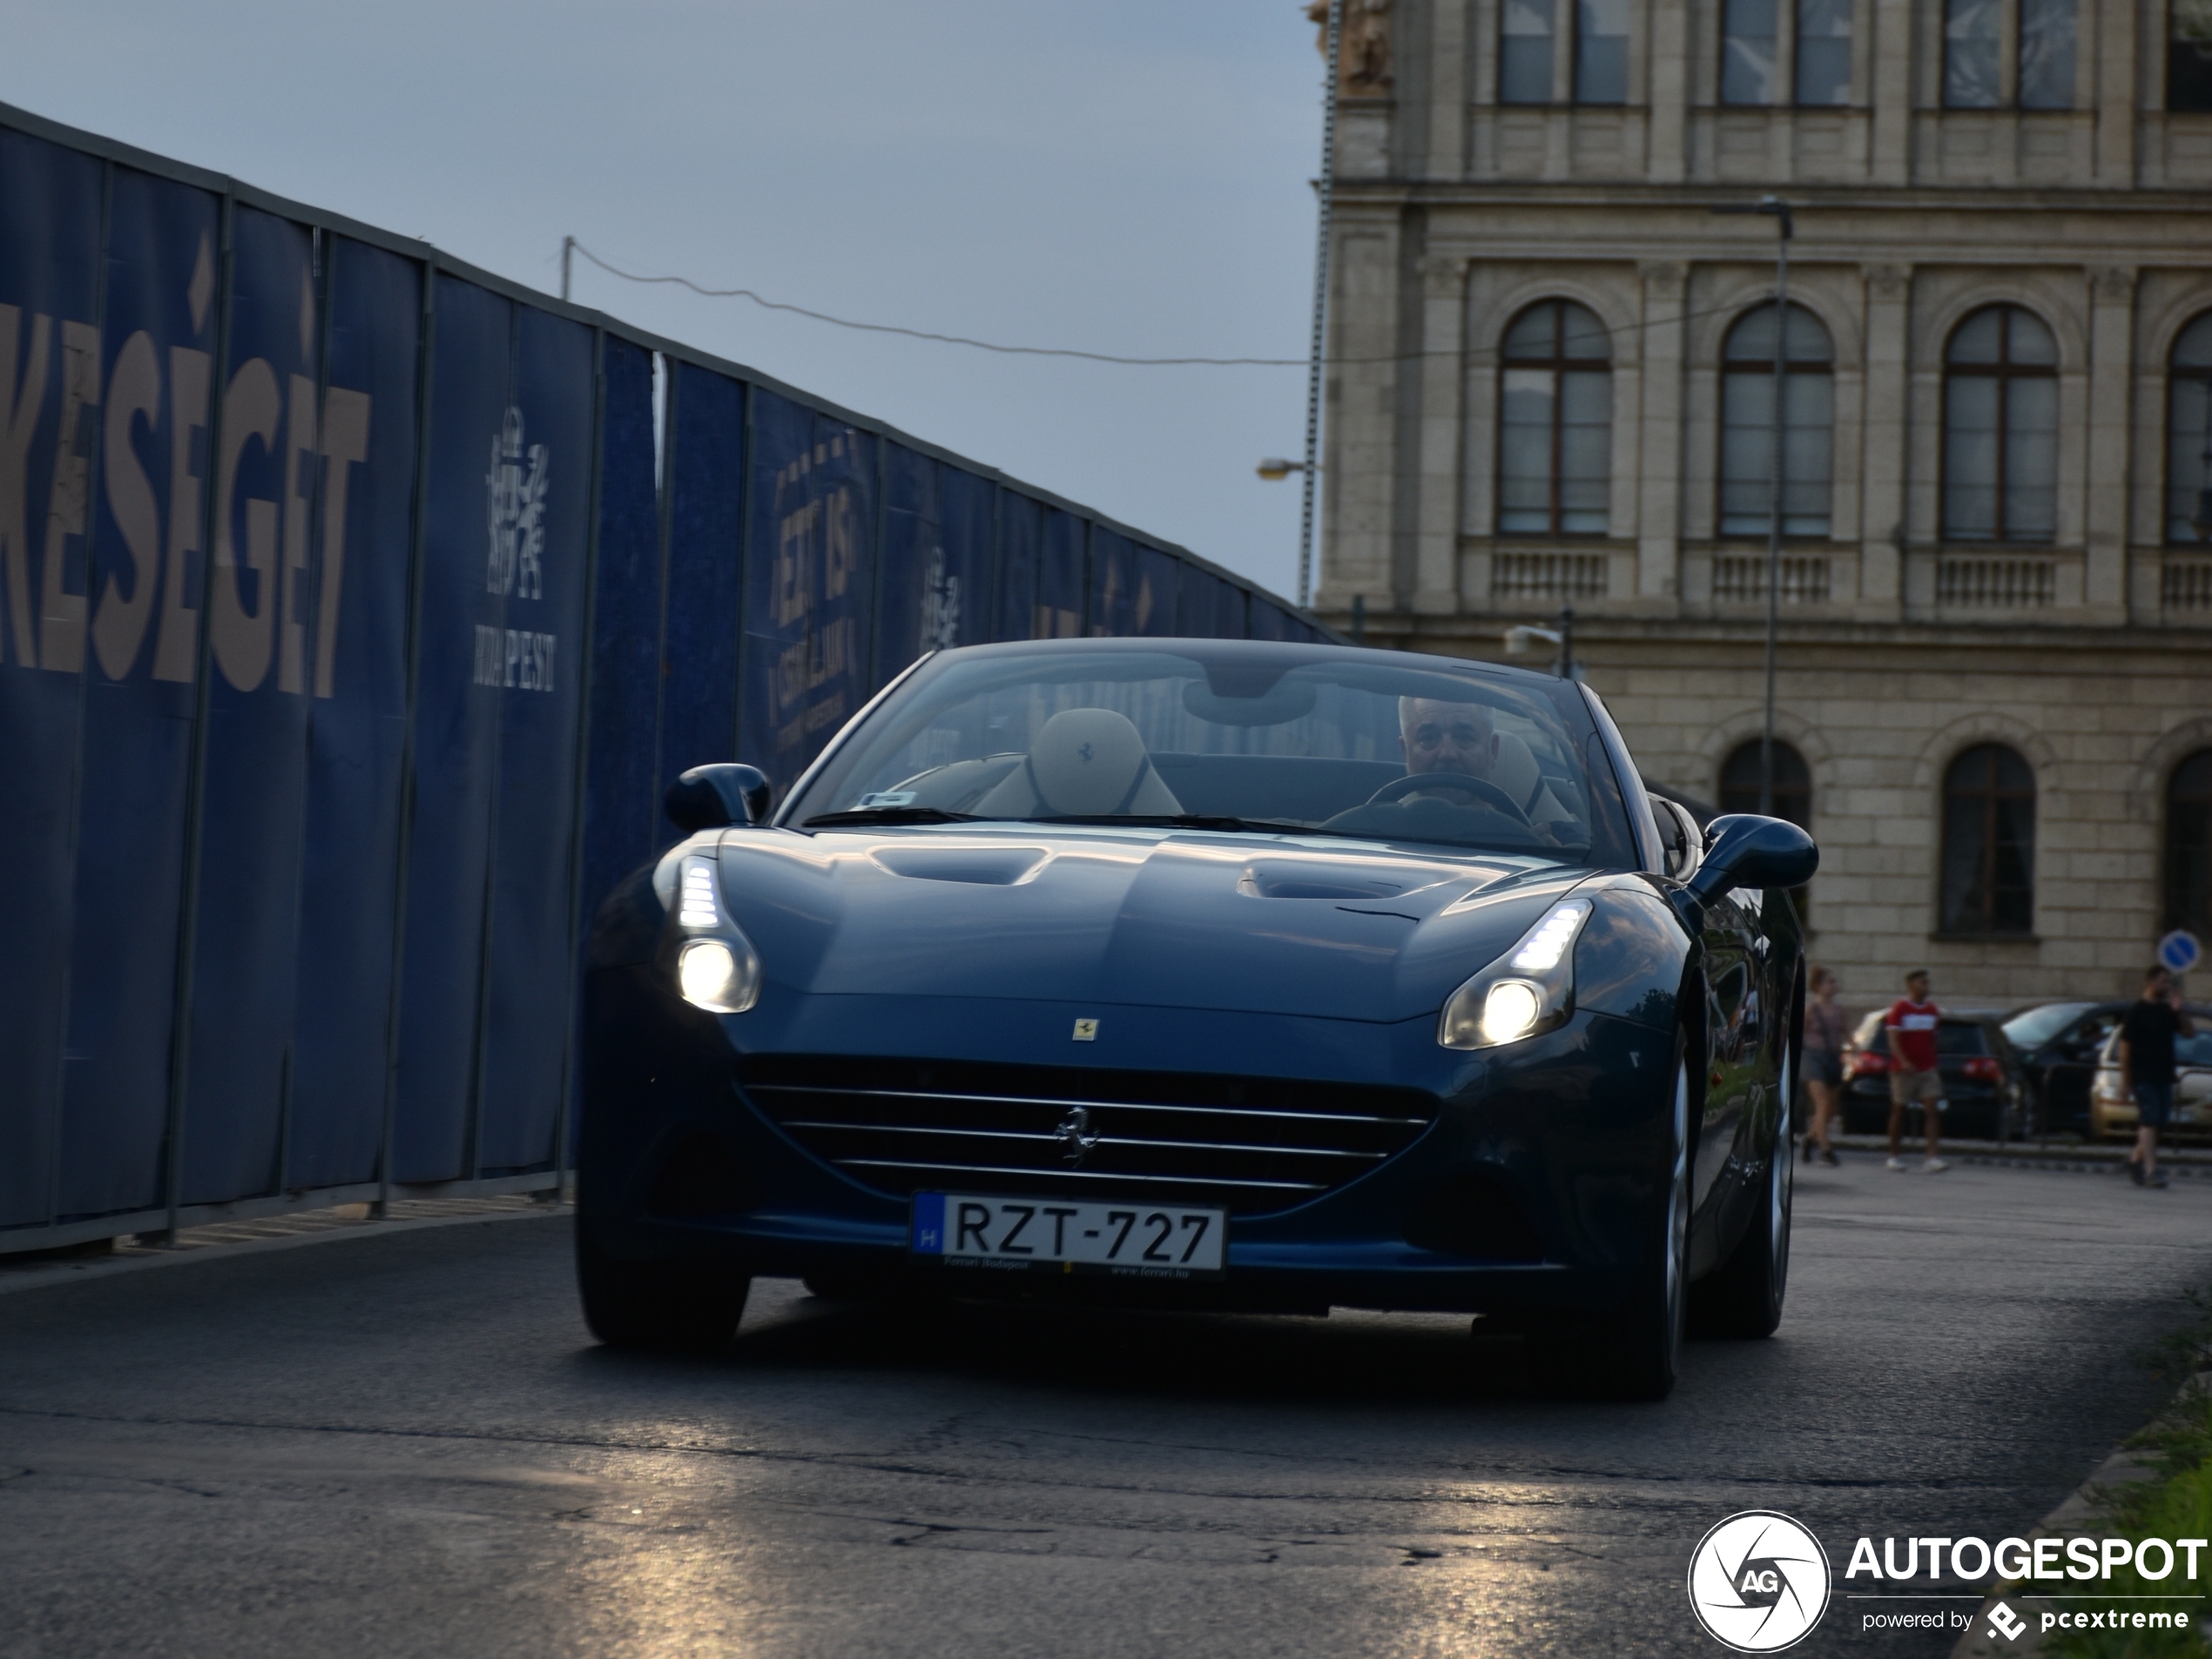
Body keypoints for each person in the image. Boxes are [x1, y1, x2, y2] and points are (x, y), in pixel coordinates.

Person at [1394, 697, 1575, 833]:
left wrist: (1543, 855)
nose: (1447, 753)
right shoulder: (1372, 835)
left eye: (1464, 737)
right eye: (1428, 738)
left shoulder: (1537, 846)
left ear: (1493, 750)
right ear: (1405, 751)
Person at [2118, 965, 2196, 1190]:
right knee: (2149, 1119)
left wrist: (2180, 1010)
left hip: (2164, 1074)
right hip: (2142, 1075)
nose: (2167, 986)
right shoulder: (2137, 1011)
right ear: (2150, 982)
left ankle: (2135, 1160)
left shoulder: (2167, 1011)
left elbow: (2189, 1033)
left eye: (2169, 982)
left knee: (2160, 1121)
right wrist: (2126, 1080)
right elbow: (2125, 1048)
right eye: (2163, 982)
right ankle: (2151, 1170)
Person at [1885, 969, 1947, 1174]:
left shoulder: (1932, 1010)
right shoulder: (1900, 1009)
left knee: (1932, 1110)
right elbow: (1893, 1040)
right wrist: (1903, 1061)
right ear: (1911, 985)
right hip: (1904, 1071)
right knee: (1900, 1110)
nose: (1926, 987)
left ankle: (1932, 1157)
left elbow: (1933, 1039)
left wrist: (1933, 1061)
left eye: (1927, 983)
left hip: (1927, 1068)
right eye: (1922, 983)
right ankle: (1894, 1155)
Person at [1801, 966, 1845, 1166]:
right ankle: (1826, 1149)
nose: (1834, 985)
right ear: (1818, 986)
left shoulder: (1838, 1010)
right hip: (1813, 1058)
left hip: (1833, 1057)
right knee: (1823, 1103)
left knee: (1831, 1109)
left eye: (1834, 981)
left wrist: (1854, 1049)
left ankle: (1810, 1138)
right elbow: (1800, 1033)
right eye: (1830, 981)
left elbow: (1846, 1033)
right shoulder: (1811, 1009)